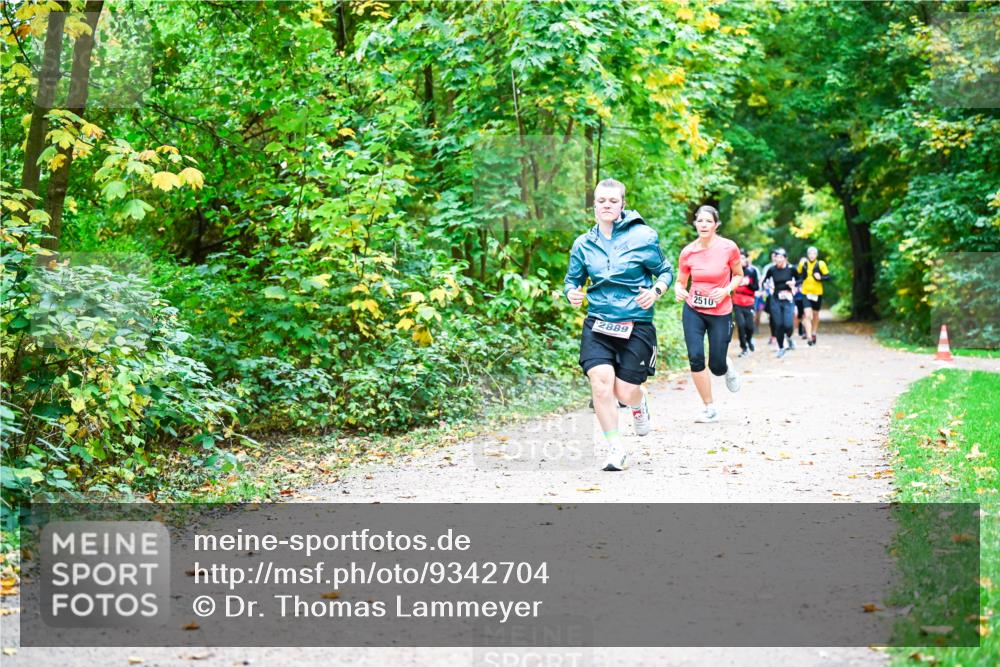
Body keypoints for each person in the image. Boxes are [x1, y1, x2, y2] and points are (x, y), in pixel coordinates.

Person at [564, 178, 674, 471]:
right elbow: (572, 280)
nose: (607, 206)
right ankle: (615, 448)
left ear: (622, 204)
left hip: (635, 322)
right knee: (600, 384)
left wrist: (655, 292)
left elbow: (664, 271)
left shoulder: (644, 237)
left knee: (625, 392)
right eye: (601, 201)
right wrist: (572, 293)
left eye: (613, 201)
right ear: (594, 205)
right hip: (599, 322)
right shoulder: (583, 244)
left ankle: (638, 403)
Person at [674, 205, 743, 424]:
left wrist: (725, 290)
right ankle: (709, 407)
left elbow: (738, 275)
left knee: (717, 366)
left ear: (716, 225)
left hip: (721, 311)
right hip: (694, 310)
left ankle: (726, 365)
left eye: (708, 221)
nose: (703, 225)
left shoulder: (728, 248)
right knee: (695, 357)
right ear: (695, 224)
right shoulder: (688, 252)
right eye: (699, 221)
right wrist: (678, 289)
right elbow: (680, 281)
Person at [761, 248, 798, 358]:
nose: (779, 259)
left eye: (781, 257)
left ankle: (789, 337)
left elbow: (800, 279)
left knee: (788, 325)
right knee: (778, 324)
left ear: (786, 259)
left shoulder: (791, 269)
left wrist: (793, 284)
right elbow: (764, 281)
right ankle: (781, 347)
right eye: (777, 257)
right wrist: (767, 287)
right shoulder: (772, 270)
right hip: (775, 299)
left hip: (788, 299)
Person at [796, 246, 831, 345]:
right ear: (807, 255)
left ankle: (814, 332)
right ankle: (809, 337)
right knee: (807, 315)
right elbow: (798, 274)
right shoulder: (803, 263)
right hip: (806, 292)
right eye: (810, 253)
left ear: (816, 255)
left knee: (815, 315)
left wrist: (821, 278)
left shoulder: (821, 264)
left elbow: (828, 277)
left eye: (814, 253)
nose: (812, 255)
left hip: (817, 293)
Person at [732, 248, 759, 357]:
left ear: (746, 259)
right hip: (737, 302)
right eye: (739, 258)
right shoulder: (733, 272)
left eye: (743, 258)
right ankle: (744, 348)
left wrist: (748, 283)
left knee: (750, 327)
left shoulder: (752, 271)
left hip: (749, 302)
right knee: (741, 325)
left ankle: (749, 340)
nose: (741, 260)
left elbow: (756, 287)